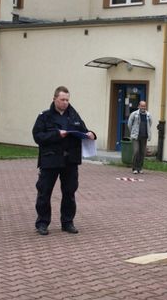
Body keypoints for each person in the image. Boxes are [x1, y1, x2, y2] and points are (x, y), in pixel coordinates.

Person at [32, 86, 96, 236]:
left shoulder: (74, 116)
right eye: (62, 100)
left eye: (67, 100)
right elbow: (38, 137)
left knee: (69, 192)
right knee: (44, 193)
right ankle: (42, 223)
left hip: (70, 161)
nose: (65, 103)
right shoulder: (44, 116)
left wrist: (91, 134)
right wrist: (56, 135)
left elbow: (83, 130)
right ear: (54, 99)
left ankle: (67, 222)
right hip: (50, 160)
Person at [127, 101, 152, 174]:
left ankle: (140, 168)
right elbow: (129, 124)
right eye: (142, 106)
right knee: (136, 151)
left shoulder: (148, 115)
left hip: (144, 136)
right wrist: (133, 132)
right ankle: (134, 168)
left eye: (144, 106)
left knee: (142, 152)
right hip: (136, 136)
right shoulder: (134, 114)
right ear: (139, 106)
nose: (143, 107)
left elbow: (150, 123)